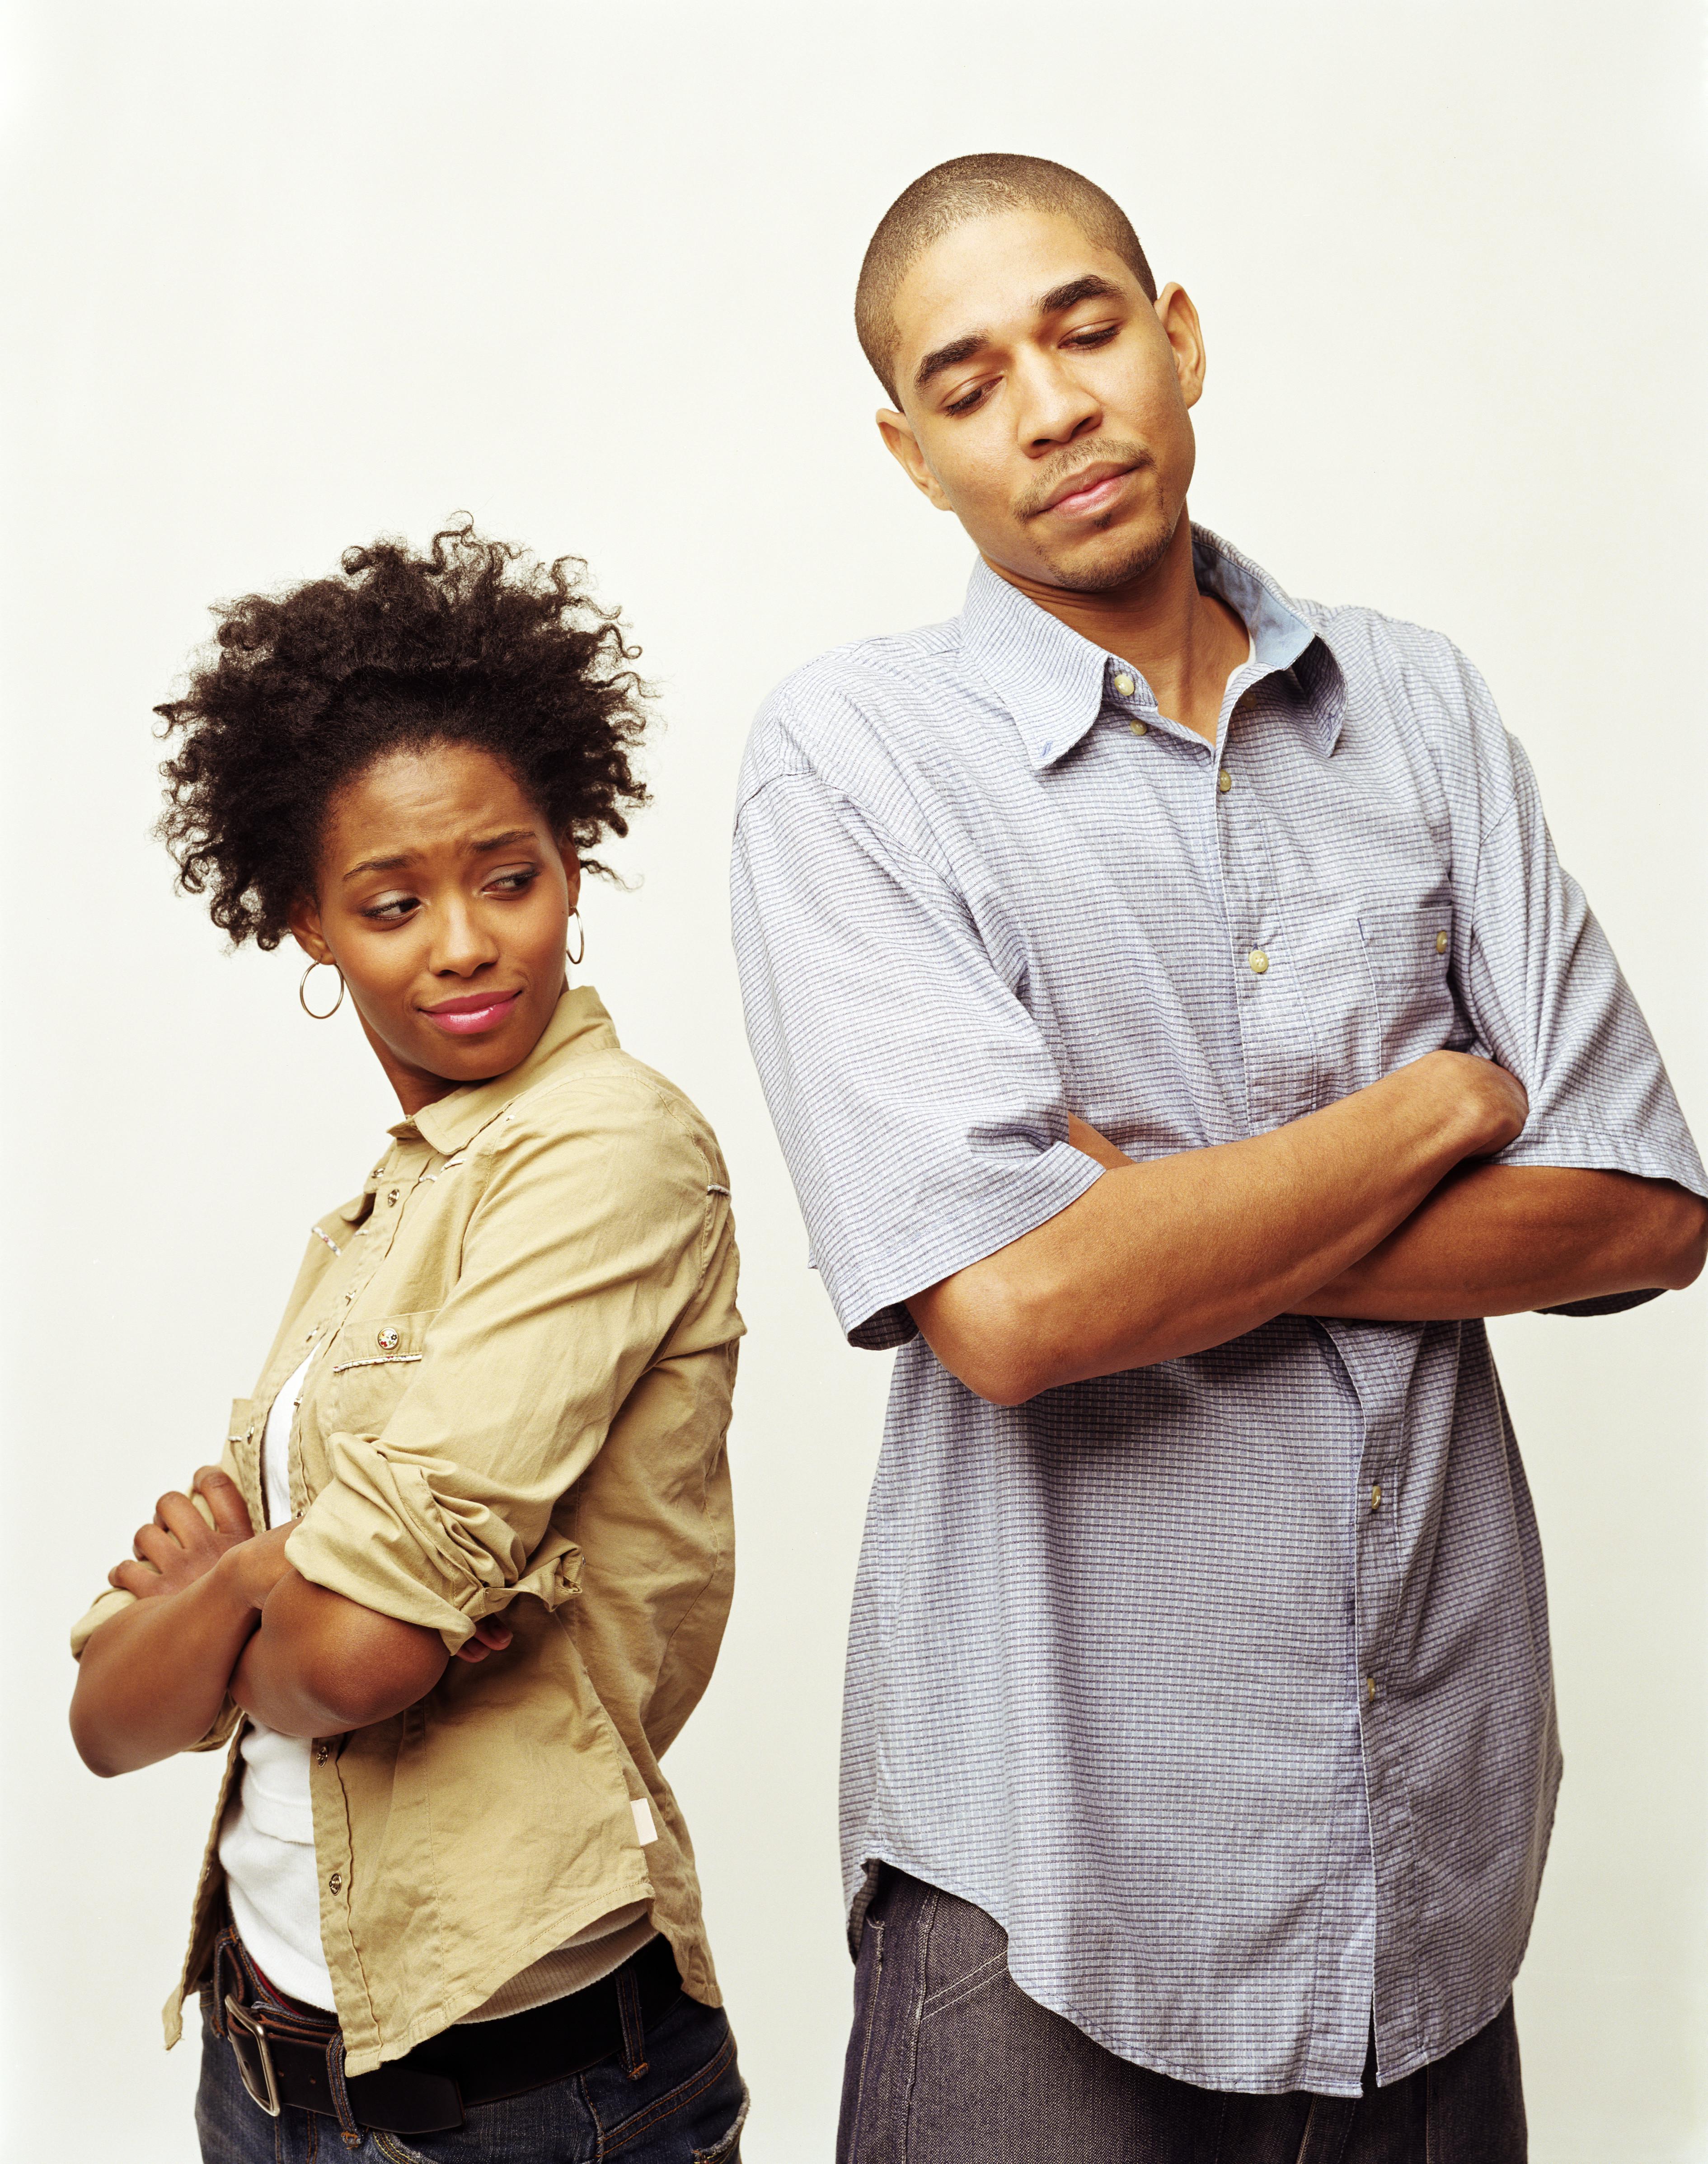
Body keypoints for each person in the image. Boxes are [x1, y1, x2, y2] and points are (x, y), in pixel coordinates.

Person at [730, 154, 1708, 2161]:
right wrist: (1442, 1106)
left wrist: (1153, 1213)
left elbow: (1642, 1207)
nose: (1055, 405)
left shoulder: (1417, 708)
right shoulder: (852, 762)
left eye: (1086, 330)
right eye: (972, 377)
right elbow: (1010, 1312)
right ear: (911, 454)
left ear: (1177, 338)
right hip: (1052, 1887)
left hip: (1423, 1872)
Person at [70, 523, 749, 2164]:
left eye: (507, 877)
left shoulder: (608, 1155)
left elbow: (360, 1655)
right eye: (392, 902)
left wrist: (233, 1582)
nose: (463, 942)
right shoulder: (387, 1211)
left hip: (521, 2093)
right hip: (263, 2050)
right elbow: (104, 1715)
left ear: (572, 864)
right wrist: (276, 1590)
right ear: (307, 920)